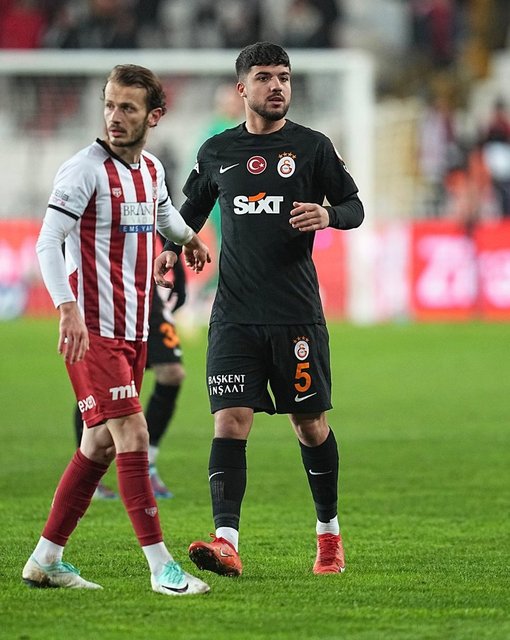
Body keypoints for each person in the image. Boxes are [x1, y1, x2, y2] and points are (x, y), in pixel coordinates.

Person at [154, 42, 364, 577]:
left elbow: (355, 207)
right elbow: (190, 211)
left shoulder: (313, 148)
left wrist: (329, 215)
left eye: (284, 77)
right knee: (230, 420)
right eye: (265, 77)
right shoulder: (217, 151)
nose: (277, 86)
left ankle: (328, 535)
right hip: (234, 314)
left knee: (310, 425)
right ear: (242, 88)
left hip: (296, 315)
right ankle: (226, 541)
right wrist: (171, 249)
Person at [23, 63, 211, 596]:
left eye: (127, 107)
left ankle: (45, 559)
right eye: (109, 105)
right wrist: (66, 309)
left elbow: (164, 215)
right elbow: (47, 242)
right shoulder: (82, 171)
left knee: (98, 445)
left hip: (133, 327)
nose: (114, 116)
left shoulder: (150, 169)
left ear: (154, 116)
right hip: (93, 329)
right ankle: (161, 568)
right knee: (133, 434)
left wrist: (190, 239)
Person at [73, 250, 187, 499]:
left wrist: (180, 275)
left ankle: (149, 462)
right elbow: (57, 238)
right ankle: (89, 472)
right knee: (100, 380)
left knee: (172, 373)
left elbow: (166, 227)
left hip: (145, 287)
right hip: (102, 286)